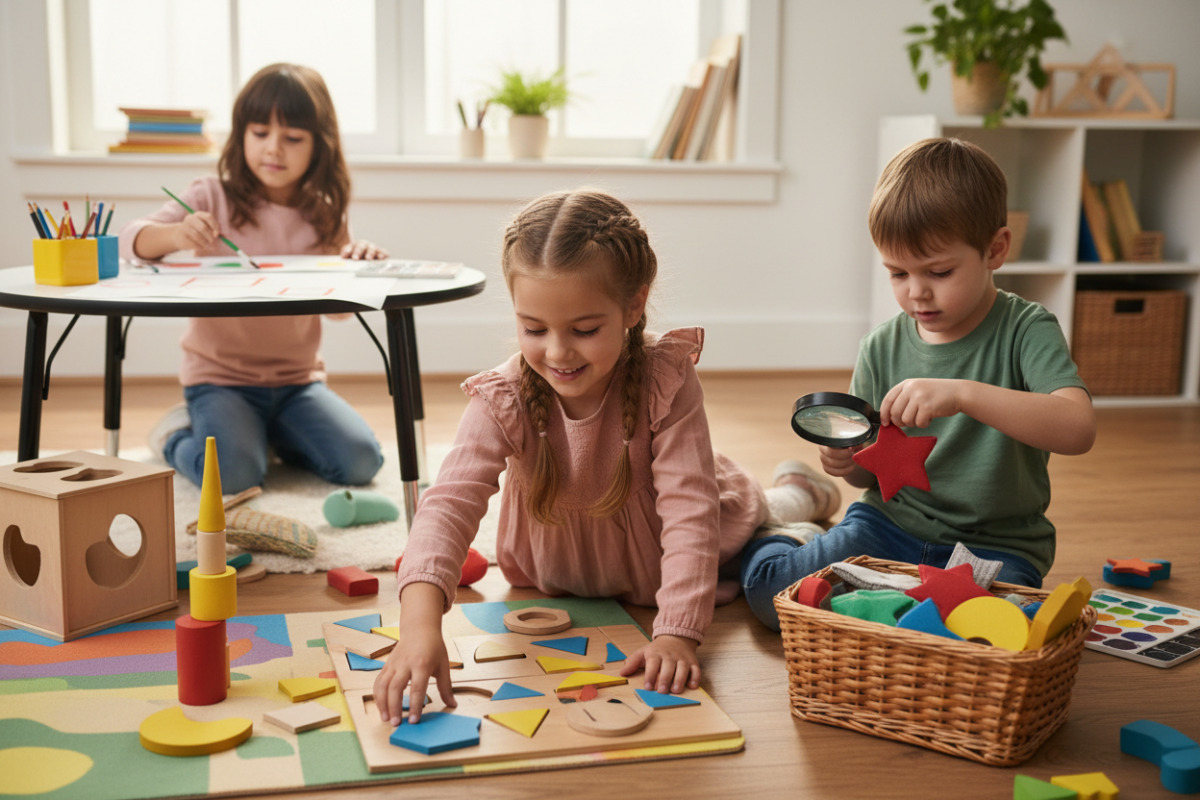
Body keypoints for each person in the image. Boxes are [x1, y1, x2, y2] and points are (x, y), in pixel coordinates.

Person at [372, 188, 839, 726]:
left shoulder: (667, 381)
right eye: (534, 328)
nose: (557, 351)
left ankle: (796, 496)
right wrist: (419, 628)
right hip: (563, 573)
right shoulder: (504, 398)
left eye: (585, 330)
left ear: (634, 305)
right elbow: (448, 505)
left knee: (756, 514)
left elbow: (692, 513)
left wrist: (676, 634)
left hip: (698, 534)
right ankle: (790, 494)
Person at [741, 137, 1097, 630]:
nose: (916, 292)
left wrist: (964, 393)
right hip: (889, 526)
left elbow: (1078, 428)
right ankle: (782, 528)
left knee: (972, 632)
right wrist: (847, 464)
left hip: (993, 546)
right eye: (897, 273)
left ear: (995, 250)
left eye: (939, 271)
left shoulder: (1026, 329)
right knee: (769, 599)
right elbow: (869, 476)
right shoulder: (880, 347)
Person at [119, 63, 387, 493]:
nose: (273, 149)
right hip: (220, 382)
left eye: (293, 138)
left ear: (320, 146)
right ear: (241, 134)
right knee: (234, 476)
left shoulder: (323, 212)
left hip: (298, 384)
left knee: (361, 462)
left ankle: (265, 436)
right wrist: (175, 234)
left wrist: (355, 269)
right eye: (260, 133)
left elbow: (338, 314)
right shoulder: (211, 196)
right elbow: (128, 241)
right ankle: (173, 436)